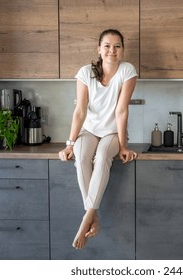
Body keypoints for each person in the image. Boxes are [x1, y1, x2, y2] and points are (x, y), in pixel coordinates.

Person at [58, 29, 138, 250]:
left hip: (112, 132)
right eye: (107, 46)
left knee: (102, 155)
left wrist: (123, 146)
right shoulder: (85, 73)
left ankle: (87, 218)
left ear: (122, 49)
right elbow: (80, 112)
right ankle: (94, 216)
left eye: (117, 46)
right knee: (82, 157)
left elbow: (121, 111)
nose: (112, 50)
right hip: (89, 130)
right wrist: (70, 144)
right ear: (99, 49)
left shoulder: (127, 70)